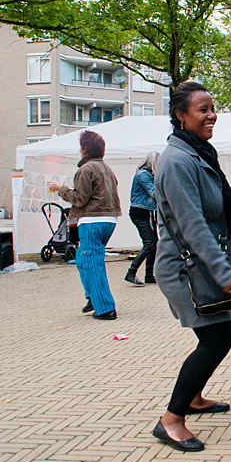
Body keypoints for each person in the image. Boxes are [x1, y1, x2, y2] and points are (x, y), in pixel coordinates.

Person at [151, 82, 231, 452]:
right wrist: (226, 273)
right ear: (180, 115)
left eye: (213, 108)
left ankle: (193, 399)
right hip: (183, 267)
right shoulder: (177, 161)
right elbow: (191, 224)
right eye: (202, 110)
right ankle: (171, 419)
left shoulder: (199, 153)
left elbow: (215, 215)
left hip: (204, 260)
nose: (211, 116)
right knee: (216, 338)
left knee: (218, 334)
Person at [47, 130, 121, 320]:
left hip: (92, 221)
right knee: (83, 259)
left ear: (84, 149)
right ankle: (93, 298)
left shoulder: (85, 170)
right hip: (109, 219)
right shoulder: (107, 169)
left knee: (91, 262)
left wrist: (59, 189)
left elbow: (79, 199)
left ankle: (105, 308)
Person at [125, 151, 159, 286]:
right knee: (149, 244)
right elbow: (154, 193)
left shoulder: (148, 175)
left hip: (147, 212)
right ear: (151, 161)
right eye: (157, 161)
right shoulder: (143, 175)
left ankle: (149, 275)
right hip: (140, 212)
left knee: (154, 244)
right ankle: (131, 273)